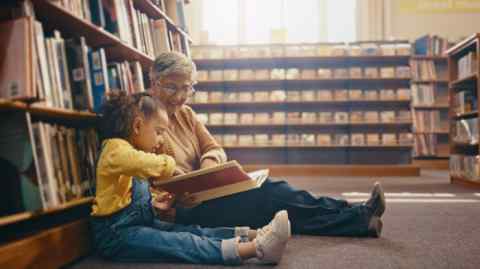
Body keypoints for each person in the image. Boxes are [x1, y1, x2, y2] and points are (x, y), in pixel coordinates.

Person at [148, 52, 386, 238]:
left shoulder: (186, 114)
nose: (180, 96)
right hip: (183, 209)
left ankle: (358, 217)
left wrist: (206, 171)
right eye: (172, 87)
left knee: (272, 199)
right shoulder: (143, 118)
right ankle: (356, 215)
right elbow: (145, 169)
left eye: (187, 88)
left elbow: (214, 148)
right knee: (270, 195)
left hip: (208, 194)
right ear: (154, 82)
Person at [90, 91, 292, 265]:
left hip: (137, 225)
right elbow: (140, 162)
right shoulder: (115, 149)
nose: (161, 141)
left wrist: (153, 203)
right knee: (180, 242)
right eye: (159, 132)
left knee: (189, 231)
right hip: (116, 236)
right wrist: (171, 167)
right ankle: (256, 250)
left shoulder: (130, 153)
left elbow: (127, 195)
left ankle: (250, 235)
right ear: (136, 126)